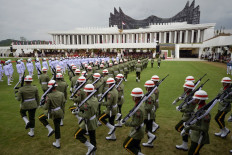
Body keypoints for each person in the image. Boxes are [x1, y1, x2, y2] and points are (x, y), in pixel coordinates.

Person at [181, 90, 210, 155]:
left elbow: (204, 129)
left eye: (196, 98)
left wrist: (190, 127)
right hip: (195, 135)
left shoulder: (205, 114)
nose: (194, 99)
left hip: (200, 137)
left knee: (192, 153)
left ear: (200, 100)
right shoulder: (198, 107)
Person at [39, 80, 65, 148]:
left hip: (52, 112)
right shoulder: (61, 94)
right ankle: (57, 143)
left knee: (41, 118)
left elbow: (46, 107)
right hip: (60, 111)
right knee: (57, 127)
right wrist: (63, 113)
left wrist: (42, 104)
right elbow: (63, 104)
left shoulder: (49, 96)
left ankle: (49, 129)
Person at [73, 84, 98, 155]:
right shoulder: (95, 99)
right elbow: (88, 108)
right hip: (93, 120)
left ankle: (91, 147)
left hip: (88, 122)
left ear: (87, 92)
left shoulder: (87, 102)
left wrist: (77, 113)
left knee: (77, 135)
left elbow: (86, 115)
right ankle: (93, 153)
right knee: (92, 137)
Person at [122, 88, 145, 155]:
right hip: (139, 129)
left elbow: (136, 123)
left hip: (137, 131)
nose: (132, 97)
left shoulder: (138, 109)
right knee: (136, 146)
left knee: (126, 145)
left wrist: (125, 123)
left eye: (133, 96)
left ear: (135, 97)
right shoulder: (140, 104)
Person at [142, 80, 157, 148]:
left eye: (146, 87)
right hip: (150, 114)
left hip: (148, 115)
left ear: (148, 87)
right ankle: (150, 142)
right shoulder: (150, 93)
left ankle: (151, 138)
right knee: (148, 128)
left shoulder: (150, 96)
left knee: (145, 128)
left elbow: (148, 107)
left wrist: (143, 105)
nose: (145, 88)